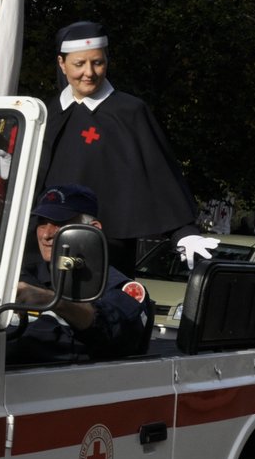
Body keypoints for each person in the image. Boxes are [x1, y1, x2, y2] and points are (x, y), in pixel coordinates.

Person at [33, 20, 217, 275]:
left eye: (97, 62)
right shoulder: (47, 112)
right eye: (79, 64)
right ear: (62, 64)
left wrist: (183, 233)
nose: (89, 72)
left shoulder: (129, 112)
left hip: (106, 248)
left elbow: (159, 174)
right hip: (44, 247)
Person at [8, 184, 149, 364]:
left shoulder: (119, 288)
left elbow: (114, 328)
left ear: (93, 229)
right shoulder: (21, 278)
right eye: (42, 223)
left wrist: (53, 301)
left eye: (59, 223)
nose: (46, 234)